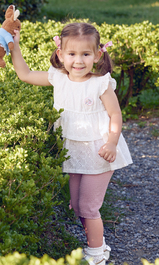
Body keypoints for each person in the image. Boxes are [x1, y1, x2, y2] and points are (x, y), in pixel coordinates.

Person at [10, 22, 133, 265]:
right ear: (61, 54)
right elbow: (24, 74)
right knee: (77, 207)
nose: (78, 61)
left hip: (99, 151)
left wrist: (111, 142)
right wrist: (15, 47)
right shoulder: (59, 78)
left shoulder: (100, 83)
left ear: (97, 55)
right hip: (74, 152)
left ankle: (97, 253)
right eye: (72, 54)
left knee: (88, 207)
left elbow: (115, 115)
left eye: (86, 54)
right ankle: (96, 244)